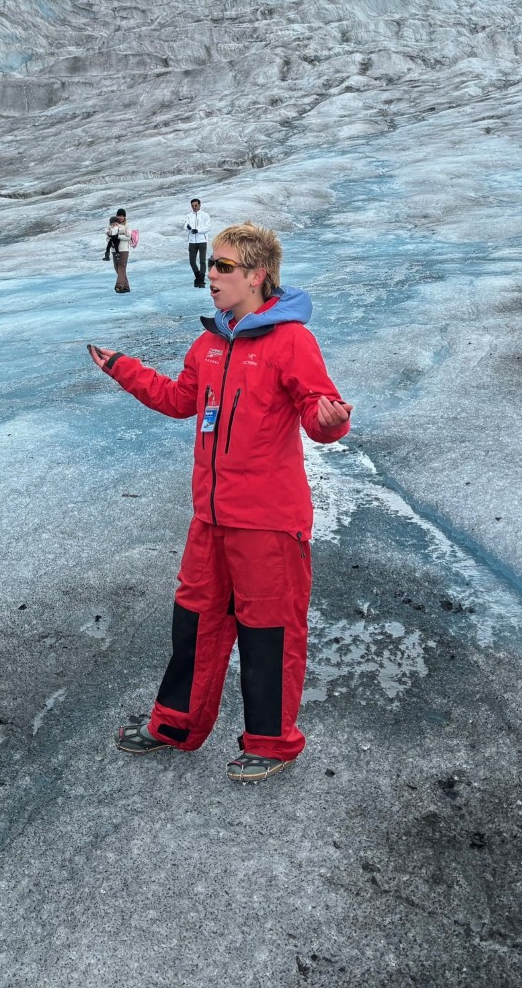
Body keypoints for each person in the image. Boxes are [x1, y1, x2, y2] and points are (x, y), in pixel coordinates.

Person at [87, 221, 352, 781]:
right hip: (210, 520)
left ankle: (271, 742)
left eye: (224, 267)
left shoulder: (291, 341)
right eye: (212, 265)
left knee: (269, 631)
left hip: (268, 523)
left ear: (257, 276)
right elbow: (182, 400)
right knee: (195, 622)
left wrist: (330, 422)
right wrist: (125, 370)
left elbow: (317, 407)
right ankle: (175, 724)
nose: (213, 277)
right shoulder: (210, 344)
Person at [184, 198, 210, 288]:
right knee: (192, 261)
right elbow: (185, 225)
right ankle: (198, 276)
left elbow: (208, 227)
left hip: (202, 241)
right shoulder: (189, 216)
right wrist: (188, 227)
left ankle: (201, 280)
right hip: (192, 241)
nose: (194, 207)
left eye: (196, 205)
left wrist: (198, 230)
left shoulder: (205, 215)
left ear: (199, 205)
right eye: (192, 206)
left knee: (202, 261)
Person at [106, 209, 134, 294]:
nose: (120, 217)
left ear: (124, 217)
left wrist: (118, 237)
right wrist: (110, 240)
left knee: (121, 267)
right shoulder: (112, 225)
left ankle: (119, 285)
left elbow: (129, 237)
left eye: (122, 216)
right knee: (116, 267)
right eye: (119, 216)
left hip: (123, 250)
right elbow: (108, 237)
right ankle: (126, 287)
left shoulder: (127, 226)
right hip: (114, 250)